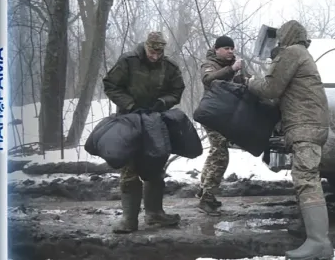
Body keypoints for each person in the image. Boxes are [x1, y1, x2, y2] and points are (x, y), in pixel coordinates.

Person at [247, 20, 334, 260]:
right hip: (308, 124)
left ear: (286, 36)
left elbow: (270, 88)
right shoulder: (301, 53)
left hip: (306, 126)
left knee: (307, 179)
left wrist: (248, 82)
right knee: (304, 177)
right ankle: (311, 232)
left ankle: (319, 243)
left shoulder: (292, 52)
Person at [102, 31, 186, 234]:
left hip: (155, 121)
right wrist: (129, 104)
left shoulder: (169, 67)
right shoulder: (128, 61)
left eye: (159, 52)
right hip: (128, 120)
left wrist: (162, 103)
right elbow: (110, 85)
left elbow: (177, 91)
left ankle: (154, 214)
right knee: (129, 169)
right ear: (146, 46)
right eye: (152, 52)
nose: (155, 56)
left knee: (155, 166)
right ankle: (129, 220)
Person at [197, 35, 250, 216]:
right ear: (217, 49)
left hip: (224, 115)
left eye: (231, 48)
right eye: (226, 48)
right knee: (220, 155)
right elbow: (209, 80)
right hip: (211, 115)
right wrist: (231, 69)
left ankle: (204, 190)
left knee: (215, 151)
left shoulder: (235, 65)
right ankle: (207, 198)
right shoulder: (210, 64)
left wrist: (245, 78)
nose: (230, 51)